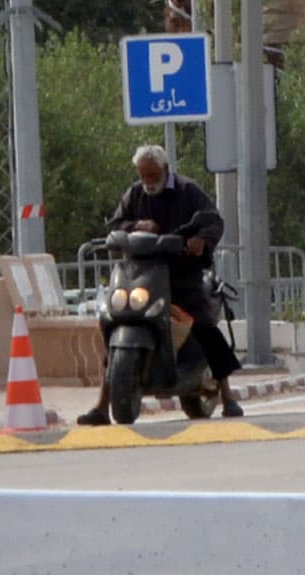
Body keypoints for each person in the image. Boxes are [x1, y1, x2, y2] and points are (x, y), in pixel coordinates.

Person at [77, 146, 244, 424]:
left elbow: (213, 220)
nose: (148, 181)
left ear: (165, 169)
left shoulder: (187, 191)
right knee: (114, 320)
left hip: (180, 275)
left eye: (153, 174)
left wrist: (200, 240)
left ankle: (227, 395)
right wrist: (135, 226)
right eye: (143, 175)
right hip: (139, 274)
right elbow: (116, 223)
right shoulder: (134, 194)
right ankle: (102, 404)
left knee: (203, 325)